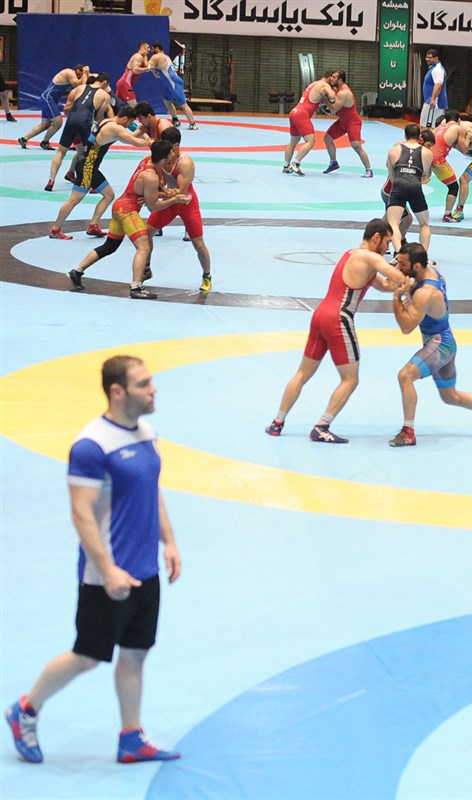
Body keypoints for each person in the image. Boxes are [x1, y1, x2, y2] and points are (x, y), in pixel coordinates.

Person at [4, 355, 182, 765]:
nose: (153, 388)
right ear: (117, 392)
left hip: (145, 569)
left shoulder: (146, 433)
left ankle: (131, 737)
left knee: (135, 652)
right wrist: (107, 569)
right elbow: (81, 513)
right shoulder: (92, 446)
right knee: (87, 655)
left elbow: (152, 490)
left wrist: (169, 542)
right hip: (107, 576)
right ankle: (25, 710)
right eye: (144, 383)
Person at [265, 219, 411, 443]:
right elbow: (399, 278)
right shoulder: (371, 257)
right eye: (387, 242)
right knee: (351, 379)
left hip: (320, 315)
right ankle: (322, 426)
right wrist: (413, 280)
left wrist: (397, 287)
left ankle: (277, 422)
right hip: (338, 319)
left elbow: (384, 285)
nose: (387, 248)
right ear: (376, 238)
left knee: (302, 373)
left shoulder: (351, 255)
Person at [387, 242, 472, 447]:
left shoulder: (425, 293)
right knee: (450, 396)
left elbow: (406, 327)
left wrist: (397, 299)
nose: (397, 268)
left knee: (405, 376)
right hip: (445, 341)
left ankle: (408, 432)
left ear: (417, 266)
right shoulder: (433, 271)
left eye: (402, 264)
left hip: (439, 344)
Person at [66, 140, 192, 300]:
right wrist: (175, 199)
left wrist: (164, 191)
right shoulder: (151, 177)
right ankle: (136, 287)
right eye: (171, 153)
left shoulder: (148, 161)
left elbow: (148, 190)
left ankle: (76, 272)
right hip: (127, 211)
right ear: (164, 157)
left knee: (110, 246)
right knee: (144, 247)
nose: (174, 154)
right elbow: (153, 207)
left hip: (119, 206)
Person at [49, 105, 152, 241]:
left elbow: (126, 137)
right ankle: (55, 229)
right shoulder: (116, 127)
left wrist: (140, 131)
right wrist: (150, 142)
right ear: (125, 118)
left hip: (88, 166)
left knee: (109, 195)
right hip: (87, 168)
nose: (128, 126)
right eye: (129, 122)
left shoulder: (107, 122)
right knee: (74, 199)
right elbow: (132, 141)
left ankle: (93, 225)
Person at [145, 126, 213, 292]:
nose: (165, 150)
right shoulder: (162, 156)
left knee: (198, 242)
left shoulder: (185, 163)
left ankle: (207, 275)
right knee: (146, 234)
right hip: (170, 199)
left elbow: (181, 192)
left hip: (186, 202)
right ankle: (146, 267)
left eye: (168, 146)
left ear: (176, 145)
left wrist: (155, 194)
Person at [46, 73, 112, 193]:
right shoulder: (105, 95)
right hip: (85, 123)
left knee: (61, 152)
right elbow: (98, 117)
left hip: (71, 120)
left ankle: (51, 180)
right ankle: (90, 183)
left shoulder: (79, 88)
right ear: (104, 83)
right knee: (89, 155)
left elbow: (67, 110)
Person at [385, 123, 434, 253]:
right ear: (420, 137)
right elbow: (424, 175)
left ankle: (398, 253)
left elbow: (391, 175)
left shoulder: (394, 150)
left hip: (398, 185)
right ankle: (423, 256)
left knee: (393, 223)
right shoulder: (427, 153)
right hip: (415, 186)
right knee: (424, 224)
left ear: (405, 136)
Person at [17, 64, 88, 150]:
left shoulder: (73, 78)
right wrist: (85, 74)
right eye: (78, 74)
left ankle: (24, 139)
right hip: (47, 99)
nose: (78, 77)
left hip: (49, 99)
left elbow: (63, 93)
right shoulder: (69, 72)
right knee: (58, 122)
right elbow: (79, 85)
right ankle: (45, 142)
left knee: (45, 124)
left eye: (80, 75)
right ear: (75, 71)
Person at [282, 70, 339, 176]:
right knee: (310, 142)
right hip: (302, 115)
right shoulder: (324, 85)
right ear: (330, 78)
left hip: (294, 112)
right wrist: (332, 92)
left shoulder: (314, 83)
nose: (334, 81)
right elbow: (332, 98)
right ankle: (295, 163)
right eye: (333, 78)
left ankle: (286, 166)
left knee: (293, 142)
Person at [321, 69, 372, 178]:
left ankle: (369, 170)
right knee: (327, 139)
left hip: (352, 122)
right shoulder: (338, 89)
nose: (331, 78)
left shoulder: (344, 92)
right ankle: (333, 163)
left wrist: (325, 98)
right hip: (342, 121)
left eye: (334, 77)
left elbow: (334, 109)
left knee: (356, 146)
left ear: (340, 80)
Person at [147, 42, 197, 129]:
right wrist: (153, 70)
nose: (151, 51)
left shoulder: (157, 56)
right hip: (169, 83)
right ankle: (175, 120)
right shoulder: (166, 56)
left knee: (183, 104)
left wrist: (142, 57)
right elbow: (157, 72)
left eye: (152, 49)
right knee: (166, 100)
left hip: (174, 83)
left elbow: (147, 66)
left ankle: (192, 124)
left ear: (157, 48)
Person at [426, 110, 464, 223]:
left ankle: (401, 207)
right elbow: (464, 149)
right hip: (437, 161)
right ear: (458, 120)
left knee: (415, 184)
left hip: (425, 156)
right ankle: (447, 215)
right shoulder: (458, 128)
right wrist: (469, 138)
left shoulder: (438, 127)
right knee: (453, 187)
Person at [420, 49, 448, 128]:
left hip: (434, 104)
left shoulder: (438, 69)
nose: (427, 60)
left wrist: (432, 99)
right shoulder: (433, 68)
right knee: (424, 125)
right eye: (427, 58)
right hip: (430, 102)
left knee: (429, 127)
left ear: (436, 58)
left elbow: (438, 85)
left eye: (430, 58)